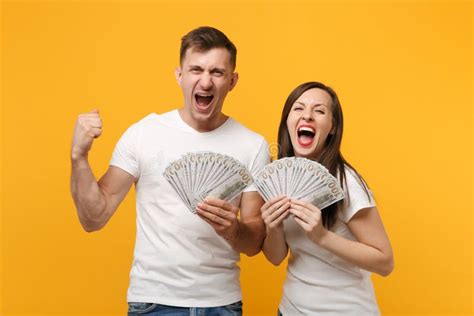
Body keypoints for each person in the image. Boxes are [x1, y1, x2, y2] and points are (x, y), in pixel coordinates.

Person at [70, 26, 268, 316]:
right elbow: (93, 218)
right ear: (179, 76)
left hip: (221, 304)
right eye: (196, 70)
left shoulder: (253, 145)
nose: (205, 82)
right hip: (152, 302)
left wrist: (234, 229)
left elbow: (254, 243)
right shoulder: (144, 134)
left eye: (217, 72)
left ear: (232, 81)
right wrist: (79, 157)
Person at [261, 82, 394, 315]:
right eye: (298, 108)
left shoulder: (346, 183)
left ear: (332, 127)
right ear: (287, 121)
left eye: (319, 111)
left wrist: (321, 236)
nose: (307, 116)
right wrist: (273, 227)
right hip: (290, 310)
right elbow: (276, 258)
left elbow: (385, 263)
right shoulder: (279, 179)